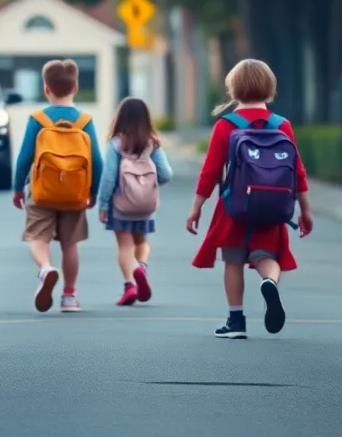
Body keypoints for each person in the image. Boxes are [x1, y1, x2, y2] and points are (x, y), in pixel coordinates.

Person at [186, 59, 314, 339]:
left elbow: (210, 171)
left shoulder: (226, 126)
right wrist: (305, 210)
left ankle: (236, 321)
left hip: (234, 206)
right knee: (266, 255)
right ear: (270, 89)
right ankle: (269, 281)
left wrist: (196, 207)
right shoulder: (282, 125)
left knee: (233, 261)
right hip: (273, 206)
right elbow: (298, 171)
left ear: (233, 90)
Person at [12, 59, 102, 313]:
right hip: (74, 193)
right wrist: (93, 192)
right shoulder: (84, 121)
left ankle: (45, 268)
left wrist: (18, 187)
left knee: (38, 237)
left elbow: (24, 157)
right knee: (70, 244)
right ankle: (69, 296)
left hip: (42, 192)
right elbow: (96, 160)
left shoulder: (38, 119)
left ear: (46, 89)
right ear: (75, 87)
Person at [96, 97, 173, 306]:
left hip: (121, 205)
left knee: (124, 246)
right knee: (142, 242)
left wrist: (103, 204)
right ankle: (142, 267)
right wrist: (149, 186)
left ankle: (129, 285)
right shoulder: (152, 143)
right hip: (145, 206)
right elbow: (166, 174)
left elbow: (109, 177)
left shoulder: (115, 144)